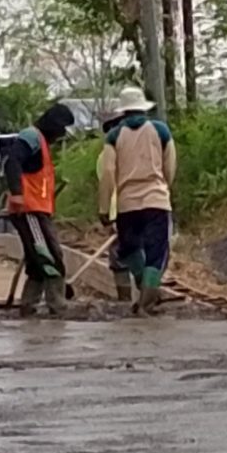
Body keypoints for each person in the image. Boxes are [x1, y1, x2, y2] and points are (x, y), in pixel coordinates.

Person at [95, 86, 177, 315]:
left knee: (130, 250)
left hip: (127, 204)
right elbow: (170, 167)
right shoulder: (161, 130)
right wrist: (163, 187)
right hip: (156, 200)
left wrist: (104, 208)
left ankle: (144, 291)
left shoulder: (114, 136)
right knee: (156, 253)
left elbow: (108, 174)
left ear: (123, 110)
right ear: (143, 108)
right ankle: (147, 302)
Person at [0, 102, 77, 317]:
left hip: (37, 209)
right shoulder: (31, 137)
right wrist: (17, 193)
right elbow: (12, 162)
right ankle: (58, 305)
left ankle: (28, 304)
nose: (61, 135)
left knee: (37, 261)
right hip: (28, 210)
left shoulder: (40, 143)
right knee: (48, 256)